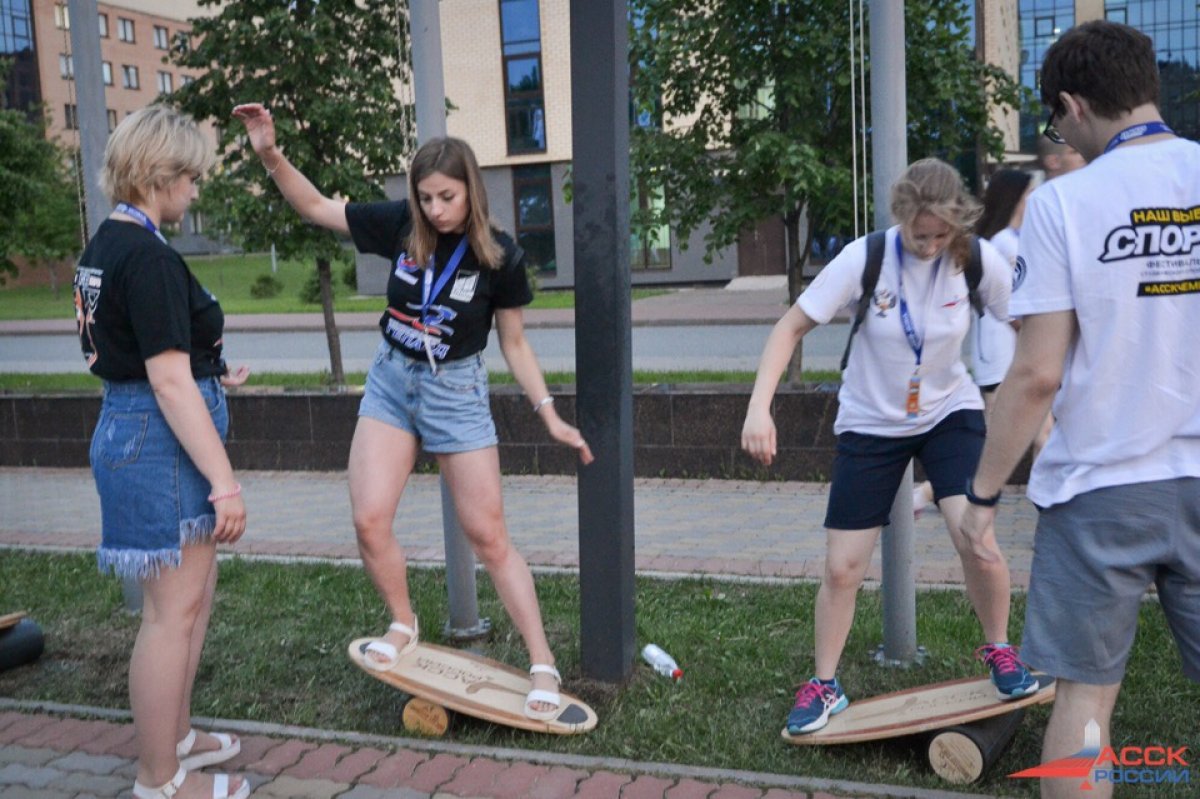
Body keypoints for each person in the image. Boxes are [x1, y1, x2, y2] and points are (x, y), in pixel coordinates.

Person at [231, 103, 593, 720]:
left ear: (470, 191)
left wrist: (549, 412)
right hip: (392, 381)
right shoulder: (402, 224)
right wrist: (270, 154)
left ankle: (542, 663)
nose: (433, 210)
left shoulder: (499, 256)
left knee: (488, 535)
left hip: (455, 391)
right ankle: (404, 623)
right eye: (424, 197)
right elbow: (318, 208)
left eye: (445, 197)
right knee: (369, 519)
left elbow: (514, 344)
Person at [961, 21, 1200, 799]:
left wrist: (984, 494)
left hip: (1102, 489)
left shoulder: (1065, 203)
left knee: (1087, 702)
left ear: (1069, 105)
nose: (1058, 134)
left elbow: (1034, 374)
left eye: (1054, 120)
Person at [741, 158, 1039, 735]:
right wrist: (759, 407)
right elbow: (789, 329)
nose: (928, 246)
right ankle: (824, 684)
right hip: (871, 422)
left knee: (974, 539)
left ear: (957, 222)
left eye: (939, 235)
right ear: (901, 218)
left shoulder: (978, 259)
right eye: (918, 234)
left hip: (949, 414)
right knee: (844, 567)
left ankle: (1001, 650)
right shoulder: (866, 258)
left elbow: (1032, 328)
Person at [74, 105, 251, 799]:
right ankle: (160, 778)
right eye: (192, 179)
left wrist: (214, 368)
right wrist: (225, 482)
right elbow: (166, 380)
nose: (196, 191)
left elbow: (147, 349)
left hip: (138, 427)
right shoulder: (145, 255)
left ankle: (175, 739)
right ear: (160, 174)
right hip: (156, 436)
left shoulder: (107, 244)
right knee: (168, 614)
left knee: (188, 602)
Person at [913, 169, 1034, 515]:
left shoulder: (1004, 240)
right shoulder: (1004, 244)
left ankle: (1036, 500)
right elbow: (1015, 308)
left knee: (1019, 434)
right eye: (1026, 196)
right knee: (999, 436)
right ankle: (936, 491)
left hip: (1004, 353)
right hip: (1001, 356)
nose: (1030, 203)